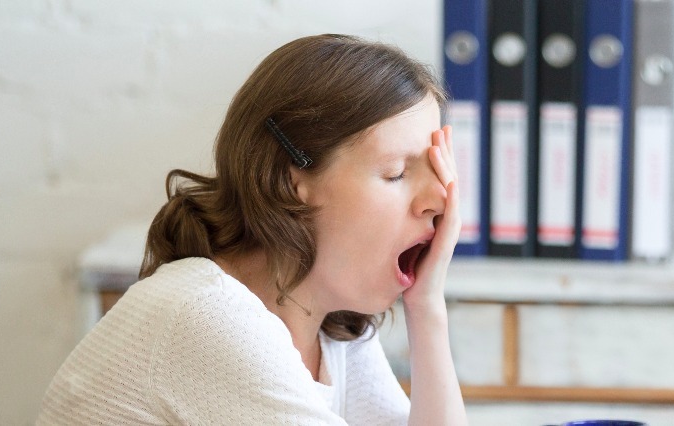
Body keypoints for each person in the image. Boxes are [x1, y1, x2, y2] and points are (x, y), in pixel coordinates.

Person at [38, 34, 468, 425]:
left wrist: (426, 306)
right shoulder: (209, 315)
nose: (440, 200)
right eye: (396, 172)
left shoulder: (329, 327)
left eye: (435, 169)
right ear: (290, 179)